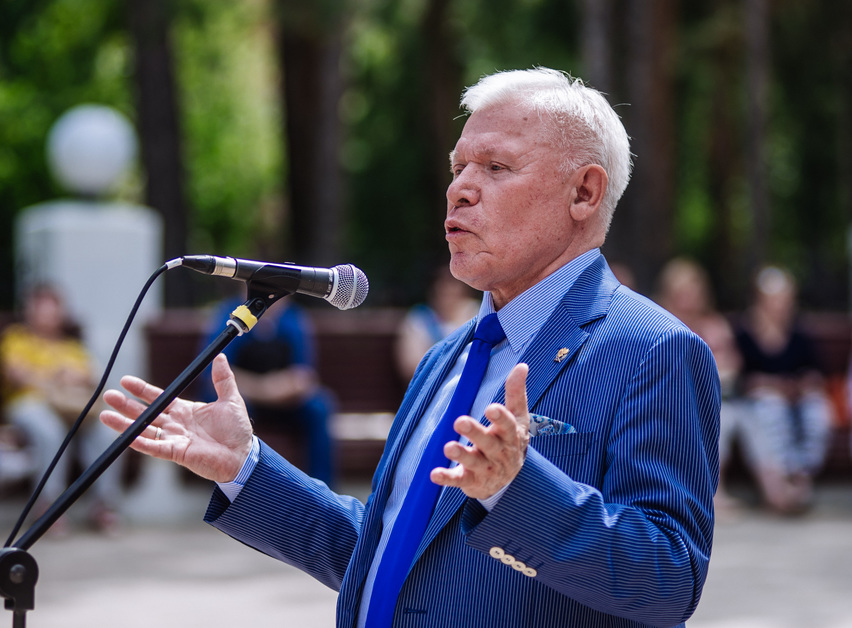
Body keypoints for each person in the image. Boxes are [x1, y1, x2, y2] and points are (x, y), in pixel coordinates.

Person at [101, 67, 720, 626]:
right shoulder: (445, 358)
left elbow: (668, 581)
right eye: (458, 168)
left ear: (584, 193)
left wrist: (516, 490)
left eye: (496, 168)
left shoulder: (654, 351)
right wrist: (247, 469)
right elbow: (390, 556)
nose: (460, 190)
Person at [0, 284, 122, 532]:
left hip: (71, 408)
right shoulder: (16, 338)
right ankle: (48, 508)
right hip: (29, 403)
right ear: (30, 311)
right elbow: (15, 374)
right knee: (50, 431)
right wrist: (56, 377)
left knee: (108, 431)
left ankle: (104, 505)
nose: (48, 316)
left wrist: (69, 377)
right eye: (42, 310)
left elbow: (93, 378)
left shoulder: (72, 347)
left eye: (53, 310)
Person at [199, 295, 336, 487]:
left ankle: (321, 488)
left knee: (318, 407)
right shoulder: (229, 316)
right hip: (243, 400)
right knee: (229, 411)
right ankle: (232, 487)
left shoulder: (293, 318)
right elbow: (214, 371)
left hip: (284, 401)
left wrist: (266, 389)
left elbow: (303, 377)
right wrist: (264, 388)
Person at [733, 266, 832, 514]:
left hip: (797, 401)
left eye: (784, 299)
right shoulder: (744, 334)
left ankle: (801, 476)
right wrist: (770, 385)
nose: (779, 306)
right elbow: (739, 379)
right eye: (773, 299)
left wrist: (802, 386)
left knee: (817, 410)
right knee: (771, 407)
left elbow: (815, 372)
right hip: (760, 405)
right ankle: (779, 483)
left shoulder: (799, 333)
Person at [655, 258, 745, 512]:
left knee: (721, 419)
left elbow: (731, 367)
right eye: (682, 293)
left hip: (712, 399)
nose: (689, 299)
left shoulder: (715, 326)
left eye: (694, 292)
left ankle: (714, 492)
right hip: (667, 400)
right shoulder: (659, 323)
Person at [394, 264, 480, 383]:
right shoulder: (419, 319)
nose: (447, 289)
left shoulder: (476, 313)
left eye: (453, 283)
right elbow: (411, 366)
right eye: (441, 282)